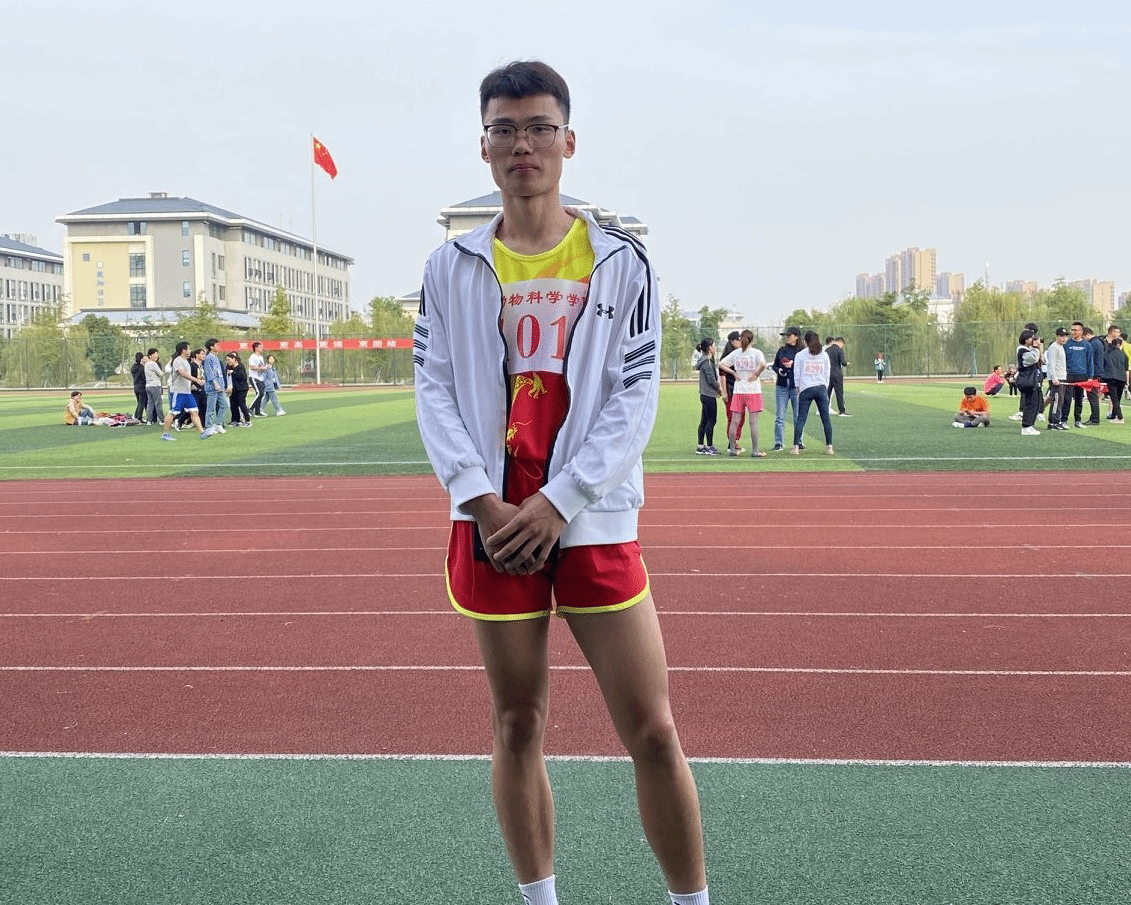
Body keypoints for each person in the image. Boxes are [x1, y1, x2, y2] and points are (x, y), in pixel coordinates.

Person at [412, 61, 708, 905]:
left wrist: (560, 500)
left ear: (567, 142)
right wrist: (481, 499)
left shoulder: (621, 261)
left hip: (590, 516)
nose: (523, 146)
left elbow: (633, 397)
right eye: (504, 130)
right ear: (483, 146)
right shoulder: (449, 265)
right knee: (516, 722)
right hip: (493, 520)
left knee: (652, 729)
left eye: (539, 128)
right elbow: (433, 389)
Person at [717, 329, 768, 457]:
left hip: (739, 391)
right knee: (753, 422)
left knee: (734, 421)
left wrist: (733, 373)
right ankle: (755, 450)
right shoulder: (756, 353)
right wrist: (756, 374)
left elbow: (721, 364)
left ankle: (732, 449)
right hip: (753, 391)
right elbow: (763, 364)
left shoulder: (736, 353)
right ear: (752, 341)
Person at [790, 330, 834, 455]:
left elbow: (797, 373)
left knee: (801, 419)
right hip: (820, 388)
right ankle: (829, 447)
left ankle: (795, 447)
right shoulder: (824, 355)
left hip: (806, 389)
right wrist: (825, 387)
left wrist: (797, 387)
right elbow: (827, 372)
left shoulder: (800, 355)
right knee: (825, 419)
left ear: (805, 341)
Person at [159, 342, 211, 441]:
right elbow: (182, 373)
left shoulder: (186, 361)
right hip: (178, 392)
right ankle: (165, 434)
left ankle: (202, 432)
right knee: (173, 413)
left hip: (187, 392)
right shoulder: (178, 361)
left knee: (194, 411)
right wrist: (196, 380)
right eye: (189, 348)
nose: (190, 350)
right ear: (183, 350)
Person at [771, 326, 803, 451]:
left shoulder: (802, 351)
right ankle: (779, 442)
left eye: (789, 335)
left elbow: (804, 365)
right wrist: (779, 370)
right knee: (780, 417)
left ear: (796, 337)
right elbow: (775, 366)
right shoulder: (782, 350)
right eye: (786, 336)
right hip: (782, 385)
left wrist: (793, 364)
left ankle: (799, 441)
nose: (787, 338)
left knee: (798, 416)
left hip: (796, 386)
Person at [1060, 322, 1093, 428]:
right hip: (1069, 375)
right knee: (1067, 399)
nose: (1074, 332)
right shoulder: (1067, 344)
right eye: (1072, 330)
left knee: (1079, 399)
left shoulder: (1087, 345)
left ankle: (1078, 420)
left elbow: (1090, 361)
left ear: (1081, 332)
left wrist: (1090, 377)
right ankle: (1063, 420)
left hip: (1082, 375)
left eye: (1076, 330)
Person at [717, 331, 744, 450]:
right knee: (732, 416)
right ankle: (731, 442)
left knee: (741, 417)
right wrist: (724, 392)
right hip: (731, 389)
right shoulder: (727, 357)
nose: (740, 342)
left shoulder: (740, 355)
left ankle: (736, 439)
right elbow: (722, 375)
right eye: (738, 340)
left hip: (741, 390)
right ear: (732, 341)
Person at [694, 338, 721, 455]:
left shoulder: (703, 360)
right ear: (709, 348)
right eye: (714, 346)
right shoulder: (707, 362)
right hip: (709, 395)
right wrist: (719, 388)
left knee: (704, 420)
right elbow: (711, 380)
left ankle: (701, 445)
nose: (715, 348)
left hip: (704, 394)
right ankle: (709, 446)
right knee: (711, 420)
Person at [1016, 329, 1044, 435]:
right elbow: (1033, 359)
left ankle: (1030, 425)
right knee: (1030, 403)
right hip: (1027, 380)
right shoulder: (1022, 350)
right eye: (1032, 338)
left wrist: (1038, 348)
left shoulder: (1028, 350)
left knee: (1035, 403)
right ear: (1026, 339)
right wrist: (1036, 348)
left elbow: (1041, 360)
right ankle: (1026, 426)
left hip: (1032, 380)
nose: (1034, 340)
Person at [1043, 327, 1069, 430]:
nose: (1064, 338)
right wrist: (1054, 377)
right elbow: (1051, 364)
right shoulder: (1053, 347)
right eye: (1061, 336)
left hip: (1062, 377)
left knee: (1059, 400)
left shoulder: (1061, 347)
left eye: (1065, 336)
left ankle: (1055, 420)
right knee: (1057, 400)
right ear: (1057, 336)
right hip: (1056, 378)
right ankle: (1054, 422)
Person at [176, 348, 208, 431]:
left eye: (204, 354)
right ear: (197, 355)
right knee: (192, 408)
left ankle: (204, 425)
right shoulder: (192, 365)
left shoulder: (201, 365)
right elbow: (188, 376)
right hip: (194, 389)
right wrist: (191, 385)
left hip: (201, 388)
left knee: (203, 406)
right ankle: (179, 421)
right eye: (201, 354)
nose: (203, 356)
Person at [201, 338, 229, 434]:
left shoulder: (216, 358)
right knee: (211, 408)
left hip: (220, 387)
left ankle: (218, 424)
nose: (219, 347)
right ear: (211, 347)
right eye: (217, 345)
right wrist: (215, 384)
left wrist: (223, 385)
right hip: (213, 388)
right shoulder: (208, 358)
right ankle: (209, 427)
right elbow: (209, 373)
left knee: (224, 406)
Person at [1083, 327, 1106, 425]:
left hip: (1093, 373)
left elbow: (1089, 358)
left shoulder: (1092, 344)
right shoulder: (1099, 342)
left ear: (1087, 335)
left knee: (1092, 396)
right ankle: (1093, 417)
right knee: (1093, 395)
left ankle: (1095, 418)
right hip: (1098, 371)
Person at [1104, 336, 1128, 424]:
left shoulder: (1107, 353)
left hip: (1111, 377)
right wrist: (1127, 381)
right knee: (1118, 397)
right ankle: (1114, 415)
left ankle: (1120, 417)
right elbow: (1126, 369)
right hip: (1122, 378)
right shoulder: (1124, 354)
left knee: (1114, 398)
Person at [226, 352, 252, 426]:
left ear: (234, 359)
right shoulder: (228, 368)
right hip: (233, 389)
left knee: (241, 403)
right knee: (233, 404)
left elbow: (242, 377)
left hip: (242, 388)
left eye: (229, 360)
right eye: (226, 360)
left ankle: (248, 420)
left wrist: (233, 373)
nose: (227, 362)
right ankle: (236, 420)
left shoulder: (240, 366)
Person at [826, 336, 850, 415]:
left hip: (828, 374)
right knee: (839, 393)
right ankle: (841, 411)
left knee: (827, 393)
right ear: (841, 342)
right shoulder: (839, 350)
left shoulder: (827, 350)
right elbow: (843, 362)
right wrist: (846, 364)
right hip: (837, 374)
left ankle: (824, 409)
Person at [143, 348, 165, 425]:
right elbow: (160, 373)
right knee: (158, 403)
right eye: (155, 354)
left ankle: (149, 420)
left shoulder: (146, 364)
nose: (156, 355)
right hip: (155, 385)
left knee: (150, 403)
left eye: (156, 354)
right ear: (150, 355)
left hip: (148, 385)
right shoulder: (153, 364)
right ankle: (161, 420)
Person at [248, 341, 269, 417]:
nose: (262, 348)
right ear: (256, 348)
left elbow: (261, 367)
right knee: (259, 393)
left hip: (260, 378)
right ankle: (250, 409)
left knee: (261, 394)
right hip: (254, 377)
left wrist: (265, 368)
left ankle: (257, 411)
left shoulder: (261, 357)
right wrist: (262, 368)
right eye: (260, 347)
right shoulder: (253, 357)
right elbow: (252, 367)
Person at [130, 352, 147, 422]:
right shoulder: (141, 367)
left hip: (136, 386)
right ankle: (139, 417)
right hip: (141, 386)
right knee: (142, 402)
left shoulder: (133, 367)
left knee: (139, 402)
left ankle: (136, 415)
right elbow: (143, 377)